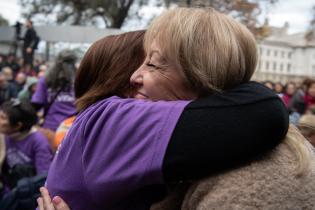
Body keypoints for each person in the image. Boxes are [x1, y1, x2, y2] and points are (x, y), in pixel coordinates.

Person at [39, 9, 288, 210]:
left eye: (153, 63)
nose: (137, 75)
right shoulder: (109, 119)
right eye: (142, 61)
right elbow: (265, 111)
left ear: (197, 73)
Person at [0, 99, 52, 193]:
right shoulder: (4, 134)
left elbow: (42, 178)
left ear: (17, 126)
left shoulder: (39, 142)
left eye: (3, 117)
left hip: (23, 192)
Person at [31, 50, 77, 147]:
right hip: (74, 129)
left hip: (50, 129)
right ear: (74, 63)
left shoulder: (46, 79)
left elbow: (36, 104)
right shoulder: (80, 80)